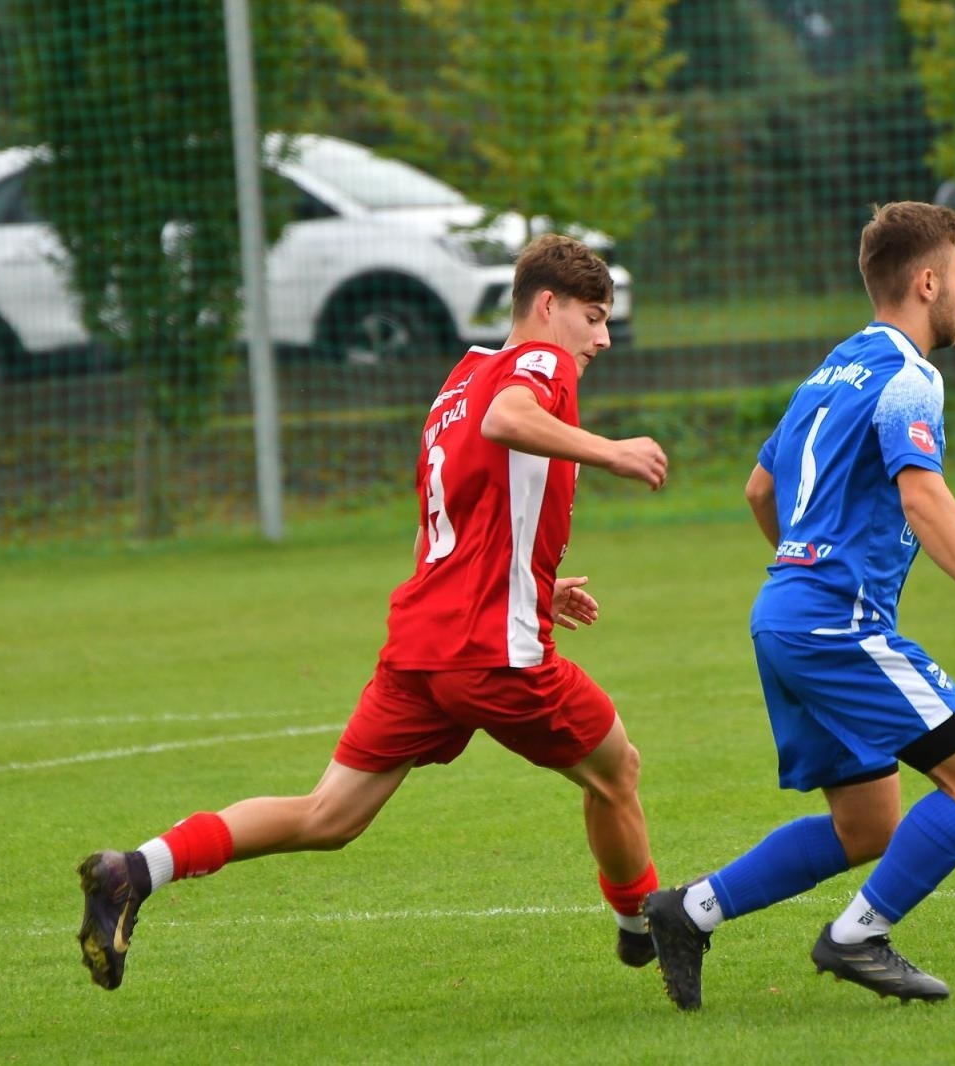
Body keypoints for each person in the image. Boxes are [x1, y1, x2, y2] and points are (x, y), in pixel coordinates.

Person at [76, 234, 671, 991]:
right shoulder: (538, 362)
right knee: (618, 770)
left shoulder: (458, 380)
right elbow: (511, 422)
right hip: (488, 650)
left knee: (328, 816)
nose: (603, 337)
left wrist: (530, 581)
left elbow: (458, 510)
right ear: (548, 306)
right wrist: (610, 450)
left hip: (425, 641)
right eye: (594, 316)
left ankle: (137, 870)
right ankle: (640, 925)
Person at [643, 201, 955, 1011]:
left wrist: (798, 561)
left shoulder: (831, 370)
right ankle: (859, 936)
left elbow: (759, 487)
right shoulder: (910, 377)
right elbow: (923, 496)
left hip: (783, 613)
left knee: (868, 827)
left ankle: (688, 910)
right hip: (834, 620)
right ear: (926, 282)